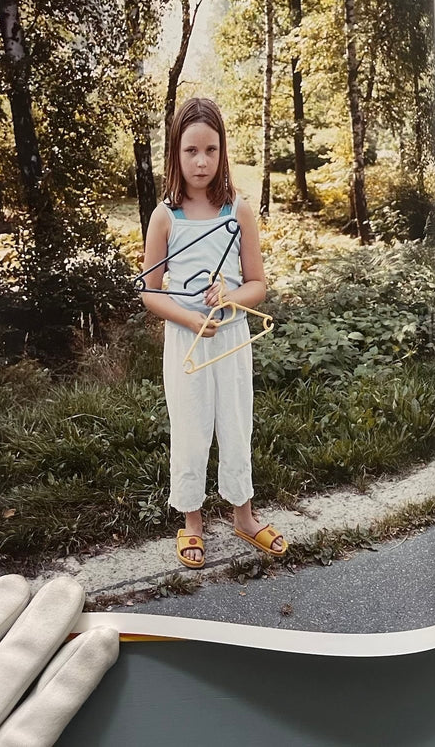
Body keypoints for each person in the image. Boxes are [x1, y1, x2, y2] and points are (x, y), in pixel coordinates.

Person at [141, 97, 287, 568]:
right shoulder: (166, 215)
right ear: (175, 154)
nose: (201, 161)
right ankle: (193, 522)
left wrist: (228, 298)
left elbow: (258, 286)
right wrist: (189, 319)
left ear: (223, 151)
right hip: (189, 340)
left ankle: (243, 516)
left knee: (235, 423)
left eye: (211, 149)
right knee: (190, 427)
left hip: (232, 337)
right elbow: (149, 293)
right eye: (190, 151)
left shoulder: (238, 211)